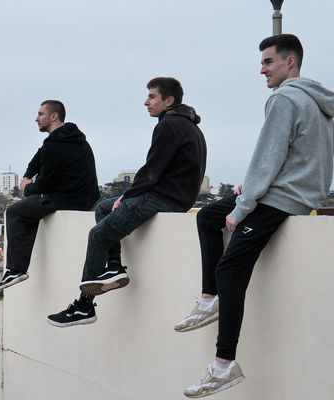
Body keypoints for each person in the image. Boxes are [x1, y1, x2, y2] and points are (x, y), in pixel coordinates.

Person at [179, 34, 334, 398]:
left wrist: (243, 206)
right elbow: (296, 155)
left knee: (230, 269)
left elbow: (270, 153)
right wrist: (249, 187)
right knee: (206, 218)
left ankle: (223, 365)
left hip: (281, 199)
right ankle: (208, 300)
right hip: (298, 192)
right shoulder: (319, 101)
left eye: (268, 62)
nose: (261, 69)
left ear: (290, 62)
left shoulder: (283, 98)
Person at [47, 77, 207, 327]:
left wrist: (128, 195)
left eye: (152, 97)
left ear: (169, 100)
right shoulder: (188, 125)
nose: (146, 102)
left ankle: (84, 306)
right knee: (102, 207)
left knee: (98, 235)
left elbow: (152, 170)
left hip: (163, 198)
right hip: (174, 197)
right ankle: (114, 266)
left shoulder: (170, 125)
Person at [0, 100, 100, 290]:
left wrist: (26, 188)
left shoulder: (55, 145)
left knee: (15, 212)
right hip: (87, 199)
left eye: (40, 114)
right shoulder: (71, 138)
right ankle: (17, 268)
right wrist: (27, 176)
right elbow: (40, 156)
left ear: (54, 116)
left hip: (68, 200)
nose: (36, 119)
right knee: (31, 205)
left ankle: (16, 270)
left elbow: (44, 184)